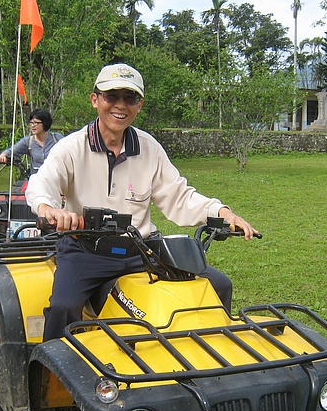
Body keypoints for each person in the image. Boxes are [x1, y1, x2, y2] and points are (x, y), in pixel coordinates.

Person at [26, 63, 259, 341]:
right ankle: (51, 378)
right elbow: (44, 182)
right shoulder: (72, 147)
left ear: (140, 104)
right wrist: (48, 208)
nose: (120, 106)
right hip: (86, 251)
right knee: (63, 308)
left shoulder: (148, 148)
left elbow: (178, 195)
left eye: (130, 98)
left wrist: (220, 212)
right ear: (95, 99)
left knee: (218, 285)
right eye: (112, 96)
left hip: (141, 251)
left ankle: (211, 366)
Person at [0, 108, 63, 174]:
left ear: (45, 123)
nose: (33, 126)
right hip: (36, 180)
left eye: (36, 123)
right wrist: (3, 155)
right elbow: (12, 151)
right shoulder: (28, 141)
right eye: (31, 123)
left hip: (56, 179)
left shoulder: (57, 139)